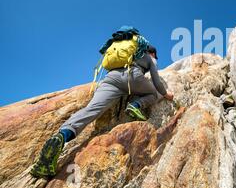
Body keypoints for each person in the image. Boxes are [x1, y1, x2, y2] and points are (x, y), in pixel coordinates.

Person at [30, 28, 174, 178]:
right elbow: (157, 81)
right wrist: (166, 94)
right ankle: (135, 105)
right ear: (151, 52)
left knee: (91, 109)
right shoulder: (149, 58)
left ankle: (62, 135)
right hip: (133, 78)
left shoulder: (127, 53)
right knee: (154, 92)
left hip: (110, 79)